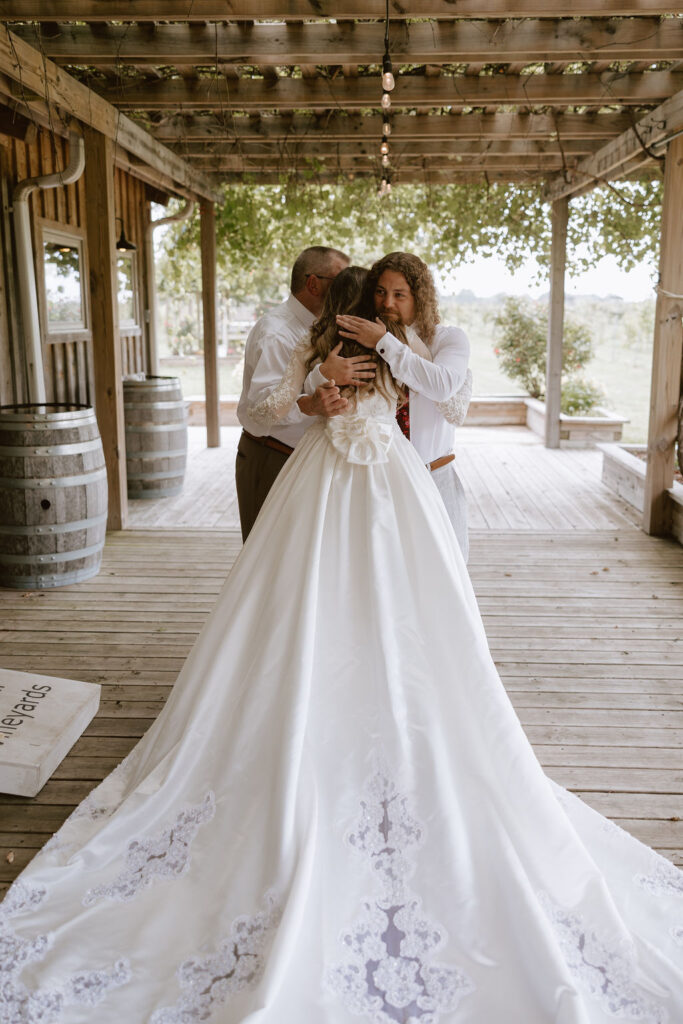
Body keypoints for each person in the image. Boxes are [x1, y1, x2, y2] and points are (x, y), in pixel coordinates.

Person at [1, 268, 681, 1023]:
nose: (364, 312)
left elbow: (442, 396)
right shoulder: (314, 348)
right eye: (356, 303)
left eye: (379, 301)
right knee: (301, 604)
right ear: (333, 308)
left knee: (409, 609)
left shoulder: (407, 349)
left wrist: (384, 349)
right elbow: (262, 409)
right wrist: (314, 391)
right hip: (319, 481)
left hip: (395, 485)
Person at [313, 252, 472, 559]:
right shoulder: (362, 338)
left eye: (400, 295)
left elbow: (442, 385)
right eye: (381, 292)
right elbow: (317, 378)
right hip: (377, 482)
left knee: (445, 576)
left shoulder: (449, 339)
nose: (388, 304)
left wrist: (386, 343)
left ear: (420, 298)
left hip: (434, 476)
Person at [235, 245, 375, 539]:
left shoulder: (331, 332)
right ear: (313, 283)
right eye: (339, 281)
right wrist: (310, 403)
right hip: (271, 457)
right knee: (266, 561)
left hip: (311, 462)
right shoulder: (276, 332)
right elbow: (257, 412)